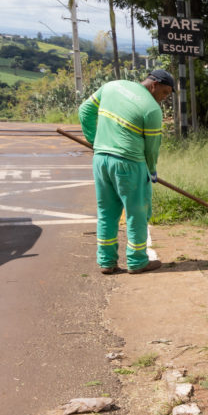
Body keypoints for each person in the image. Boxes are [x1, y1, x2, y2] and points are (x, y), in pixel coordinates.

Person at [79, 69, 175, 275]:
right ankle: (137, 261)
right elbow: (152, 147)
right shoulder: (151, 109)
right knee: (137, 213)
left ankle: (106, 261)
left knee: (106, 212)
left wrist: (94, 141)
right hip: (129, 164)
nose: (164, 99)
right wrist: (151, 170)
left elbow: (84, 110)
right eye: (165, 93)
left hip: (101, 161)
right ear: (154, 85)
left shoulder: (112, 86)